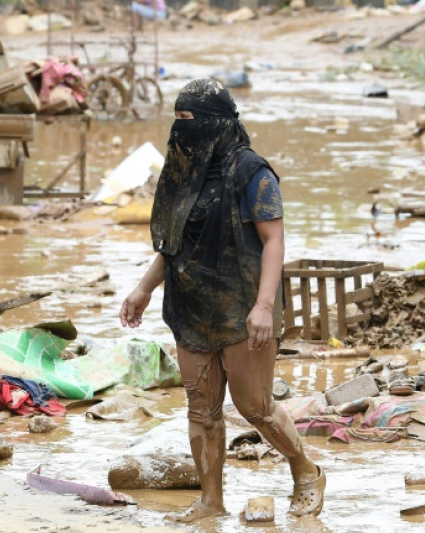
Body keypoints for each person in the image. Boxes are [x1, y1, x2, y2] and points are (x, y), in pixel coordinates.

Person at [119, 79, 326, 522]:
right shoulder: (183, 171)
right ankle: (212, 500)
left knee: (256, 408)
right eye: (176, 118)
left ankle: (305, 470)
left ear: (215, 123)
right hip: (190, 305)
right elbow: (173, 245)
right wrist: (143, 288)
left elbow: (274, 241)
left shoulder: (253, 173)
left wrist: (265, 306)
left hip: (243, 305)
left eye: (188, 119)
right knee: (202, 411)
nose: (180, 129)